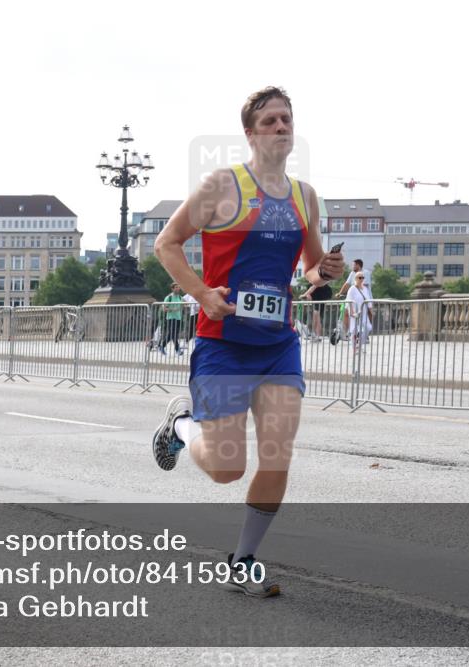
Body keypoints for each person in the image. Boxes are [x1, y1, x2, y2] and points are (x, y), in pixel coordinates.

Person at [150, 86, 344, 597]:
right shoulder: (222, 185)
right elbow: (165, 244)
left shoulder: (305, 196)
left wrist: (325, 271)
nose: (282, 127)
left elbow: (309, 272)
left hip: (278, 344)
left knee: (278, 453)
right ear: (251, 133)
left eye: (287, 119)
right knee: (226, 468)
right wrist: (200, 293)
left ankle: (244, 560)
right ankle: (182, 424)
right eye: (271, 121)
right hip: (224, 343)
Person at [337, 259, 370, 341]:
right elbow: (347, 284)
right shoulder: (352, 273)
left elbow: (364, 284)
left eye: (354, 265)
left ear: (358, 265)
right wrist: (340, 293)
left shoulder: (365, 273)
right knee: (346, 313)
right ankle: (348, 332)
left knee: (362, 316)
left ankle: (364, 335)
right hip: (351, 298)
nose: (352, 267)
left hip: (362, 299)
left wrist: (353, 287)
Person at [345, 271, 373, 353]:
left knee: (368, 328)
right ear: (356, 279)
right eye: (359, 278)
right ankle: (354, 348)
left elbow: (368, 301)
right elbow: (349, 301)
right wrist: (352, 313)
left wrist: (371, 311)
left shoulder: (365, 289)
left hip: (363, 313)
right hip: (355, 313)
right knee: (355, 330)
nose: (361, 279)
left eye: (362, 277)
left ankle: (359, 345)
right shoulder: (352, 289)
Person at [158, 283, 184, 356]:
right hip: (170, 318)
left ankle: (161, 346)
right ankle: (178, 349)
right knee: (173, 334)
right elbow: (164, 308)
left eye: (178, 287)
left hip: (178, 318)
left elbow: (182, 306)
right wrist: (172, 309)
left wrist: (182, 307)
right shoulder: (168, 297)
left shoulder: (180, 297)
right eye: (176, 287)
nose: (178, 288)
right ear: (172, 289)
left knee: (172, 335)